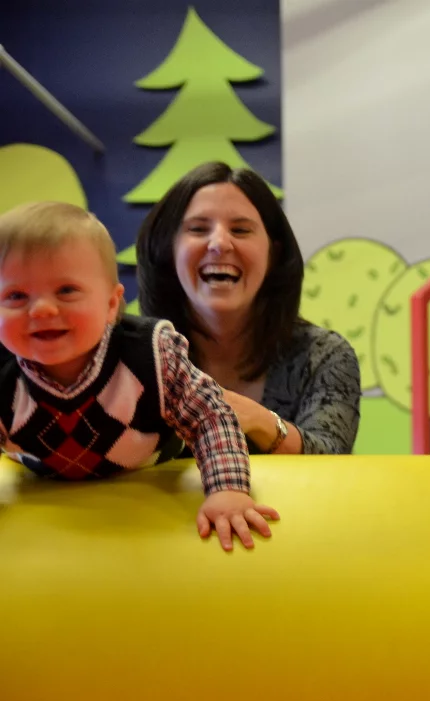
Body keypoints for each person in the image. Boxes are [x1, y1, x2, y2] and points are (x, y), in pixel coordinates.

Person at [0, 202, 277, 551]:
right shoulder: (5, 376)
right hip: (45, 481)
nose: (41, 309)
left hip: (152, 468)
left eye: (66, 290)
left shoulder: (151, 356)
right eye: (15, 296)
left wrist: (228, 491)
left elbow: (210, 417)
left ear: (112, 305)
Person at [136, 162, 360, 455]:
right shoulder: (133, 357)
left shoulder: (324, 356)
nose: (219, 243)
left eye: (240, 230)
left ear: (273, 253)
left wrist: (260, 421)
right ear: (168, 251)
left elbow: (334, 458)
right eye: (198, 229)